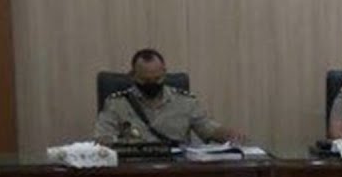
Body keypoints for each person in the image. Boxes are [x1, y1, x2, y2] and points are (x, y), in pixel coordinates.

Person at [94, 49, 242, 146]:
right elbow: (103, 138)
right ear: (132, 76)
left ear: (164, 73)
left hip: (175, 170)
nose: (152, 84)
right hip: (134, 170)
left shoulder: (185, 102)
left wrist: (227, 134)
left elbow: (207, 128)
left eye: (157, 79)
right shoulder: (116, 103)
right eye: (145, 80)